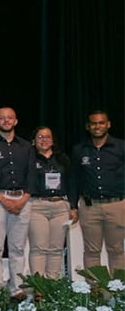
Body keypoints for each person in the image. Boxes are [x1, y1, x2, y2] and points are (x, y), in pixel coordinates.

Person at [0, 107, 33, 294]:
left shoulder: (26, 146)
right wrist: (2, 198)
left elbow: (32, 174)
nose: (6, 121)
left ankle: (17, 289)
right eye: (1, 118)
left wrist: (23, 199)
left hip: (23, 200)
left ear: (16, 121)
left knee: (18, 248)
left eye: (9, 118)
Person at [70, 110, 124, 271]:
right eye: (94, 123)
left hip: (116, 205)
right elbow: (74, 179)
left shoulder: (121, 147)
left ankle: (118, 293)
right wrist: (73, 206)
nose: (97, 126)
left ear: (108, 124)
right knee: (92, 252)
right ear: (88, 127)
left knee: (117, 251)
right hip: (89, 207)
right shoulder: (79, 150)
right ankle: (95, 293)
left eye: (101, 123)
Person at [27, 127, 76, 278]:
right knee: (39, 248)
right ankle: (39, 287)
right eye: (40, 137)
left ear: (53, 140)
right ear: (33, 141)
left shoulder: (63, 159)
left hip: (60, 206)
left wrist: (73, 207)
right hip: (37, 206)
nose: (44, 140)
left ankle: (52, 285)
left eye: (47, 137)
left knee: (56, 249)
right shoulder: (29, 159)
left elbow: (72, 183)